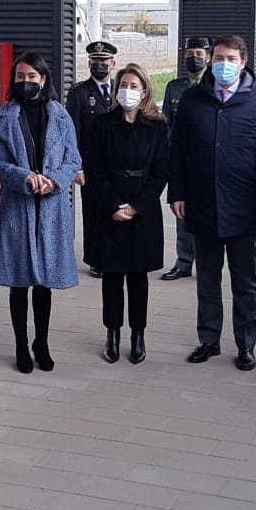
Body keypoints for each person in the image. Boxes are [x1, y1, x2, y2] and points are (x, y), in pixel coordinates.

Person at [168, 34, 256, 371]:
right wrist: (177, 193)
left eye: (231, 59)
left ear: (243, 62)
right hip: (201, 205)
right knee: (208, 280)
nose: (223, 64)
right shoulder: (192, 99)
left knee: (244, 282)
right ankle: (208, 340)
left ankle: (246, 344)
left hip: (244, 209)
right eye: (218, 58)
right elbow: (177, 151)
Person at [0, 52, 82, 373]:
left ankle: (41, 343)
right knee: (19, 282)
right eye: (20, 77)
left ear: (43, 79)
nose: (26, 82)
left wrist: (54, 180)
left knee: (44, 283)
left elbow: (74, 160)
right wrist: (25, 178)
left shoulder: (61, 116)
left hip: (52, 208)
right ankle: (20, 345)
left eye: (32, 77)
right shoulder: (5, 118)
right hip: (19, 206)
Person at [85, 63, 168, 365]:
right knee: (111, 276)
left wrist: (136, 206)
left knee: (138, 277)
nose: (127, 91)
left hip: (142, 209)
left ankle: (138, 334)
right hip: (109, 207)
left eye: (134, 86)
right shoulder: (102, 124)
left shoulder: (157, 126)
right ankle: (112, 333)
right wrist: (112, 206)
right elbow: (94, 170)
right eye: (124, 85)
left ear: (144, 91)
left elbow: (161, 173)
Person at [160, 37, 210, 282]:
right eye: (190, 53)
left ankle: (207, 264)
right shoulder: (174, 87)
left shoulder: (213, 86)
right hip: (181, 161)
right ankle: (183, 262)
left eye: (199, 53)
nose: (194, 58)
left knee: (206, 214)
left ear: (208, 57)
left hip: (207, 161)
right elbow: (166, 125)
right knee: (181, 212)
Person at [67, 40, 118, 279]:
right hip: (90, 165)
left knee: (116, 210)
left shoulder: (123, 89)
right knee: (93, 213)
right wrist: (76, 166)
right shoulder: (79, 93)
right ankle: (96, 260)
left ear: (113, 64)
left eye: (103, 61)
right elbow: (72, 133)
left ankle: (115, 256)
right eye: (94, 61)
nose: (99, 65)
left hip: (119, 165)